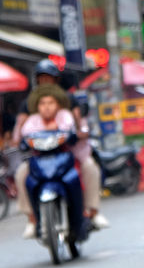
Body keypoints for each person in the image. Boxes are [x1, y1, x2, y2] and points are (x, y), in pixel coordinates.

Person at [17, 84, 106, 237]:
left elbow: (70, 129)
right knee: (20, 174)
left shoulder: (65, 115)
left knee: (90, 167)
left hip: (67, 157)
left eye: (50, 103)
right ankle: (31, 219)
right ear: (37, 106)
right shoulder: (33, 120)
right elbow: (24, 135)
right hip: (40, 160)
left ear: (58, 104)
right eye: (43, 104)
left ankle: (93, 211)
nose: (46, 107)